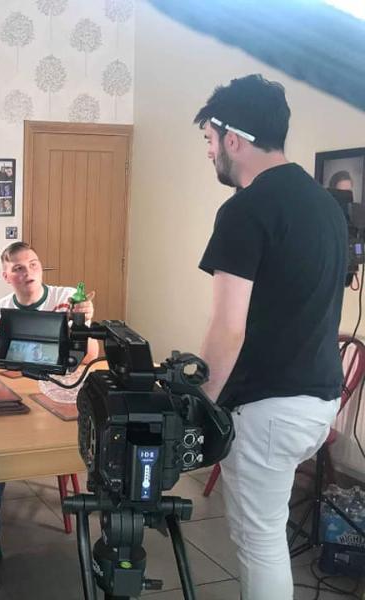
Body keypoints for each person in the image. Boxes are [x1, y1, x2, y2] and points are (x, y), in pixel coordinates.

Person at [194, 74, 347, 600]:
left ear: (233, 138)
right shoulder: (327, 205)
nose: (210, 153)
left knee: (258, 540)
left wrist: (201, 406)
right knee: (267, 531)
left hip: (267, 408)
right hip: (321, 400)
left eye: (210, 142)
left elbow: (228, 328)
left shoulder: (245, 208)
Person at [0, 241, 98, 590]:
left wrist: (81, 322)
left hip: (69, 393)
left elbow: (90, 357)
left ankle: (109, 539)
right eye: (19, 268)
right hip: (24, 393)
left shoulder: (68, 298)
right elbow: (4, 369)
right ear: (6, 276)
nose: (28, 273)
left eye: (34, 264)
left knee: (103, 446)